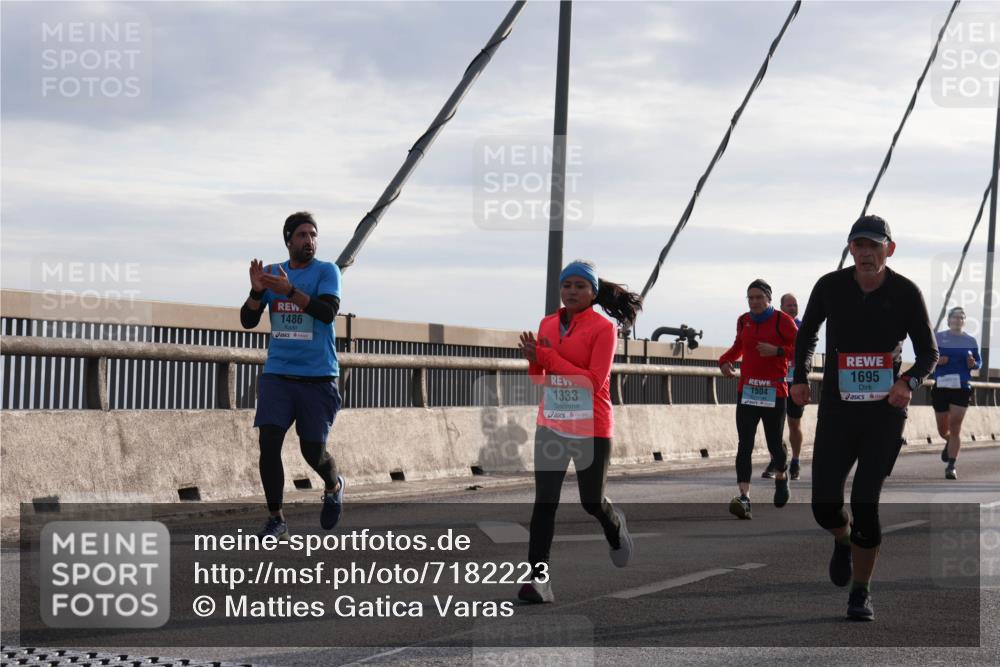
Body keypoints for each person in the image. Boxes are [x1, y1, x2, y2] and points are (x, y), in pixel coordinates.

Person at [791, 214, 938, 621]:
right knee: (824, 506)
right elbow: (807, 334)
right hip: (839, 410)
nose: (866, 253)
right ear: (850, 249)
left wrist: (907, 382)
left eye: (875, 246)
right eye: (859, 245)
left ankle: (860, 591)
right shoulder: (830, 286)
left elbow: (929, 353)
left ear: (889, 249)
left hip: (884, 413)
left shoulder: (906, 292)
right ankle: (841, 538)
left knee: (865, 502)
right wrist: (799, 376)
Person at [516, 260, 643, 603]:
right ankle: (538, 580)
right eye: (566, 285)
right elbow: (539, 380)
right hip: (552, 424)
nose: (571, 291)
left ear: (593, 292)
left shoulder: (603, 329)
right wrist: (534, 359)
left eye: (579, 286)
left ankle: (614, 524)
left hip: (592, 426)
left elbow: (592, 381)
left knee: (591, 502)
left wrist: (547, 357)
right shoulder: (547, 323)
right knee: (544, 503)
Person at [240, 211, 346, 539]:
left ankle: (333, 484)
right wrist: (258, 292)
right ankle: (276, 519)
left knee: (313, 452)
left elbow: (326, 313)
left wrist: (289, 292)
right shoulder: (272, 274)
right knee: (269, 441)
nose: (308, 241)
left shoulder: (326, 272)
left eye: (313, 235)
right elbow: (247, 320)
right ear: (288, 240)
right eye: (301, 235)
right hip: (278, 374)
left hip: (317, 377)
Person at [719, 279, 798, 520]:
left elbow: (802, 348)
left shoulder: (783, 321)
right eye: (750, 298)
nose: (754, 302)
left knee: (775, 445)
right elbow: (738, 346)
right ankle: (744, 497)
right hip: (748, 391)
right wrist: (724, 360)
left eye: (758, 298)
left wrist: (778, 351)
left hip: (775, 392)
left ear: (768, 299)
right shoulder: (744, 320)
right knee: (745, 444)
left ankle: (782, 476)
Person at [932, 306, 981, 480]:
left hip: (961, 387)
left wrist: (972, 363)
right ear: (949, 320)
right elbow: (928, 357)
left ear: (964, 321)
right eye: (955, 317)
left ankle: (951, 466)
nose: (958, 320)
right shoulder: (938, 338)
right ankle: (948, 441)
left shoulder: (970, 341)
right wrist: (938, 361)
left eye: (961, 318)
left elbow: (977, 363)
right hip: (942, 386)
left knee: (955, 427)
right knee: (942, 429)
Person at [762, 293, 805, 481]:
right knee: (773, 425)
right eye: (789, 305)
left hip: (795, 381)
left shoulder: (803, 327)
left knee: (794, 423)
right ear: (781, 308)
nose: (793, 308)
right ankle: (777, 459)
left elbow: (804, 352)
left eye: (795, 305)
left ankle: (795, 460)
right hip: (776, 380)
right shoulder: (774, 325)